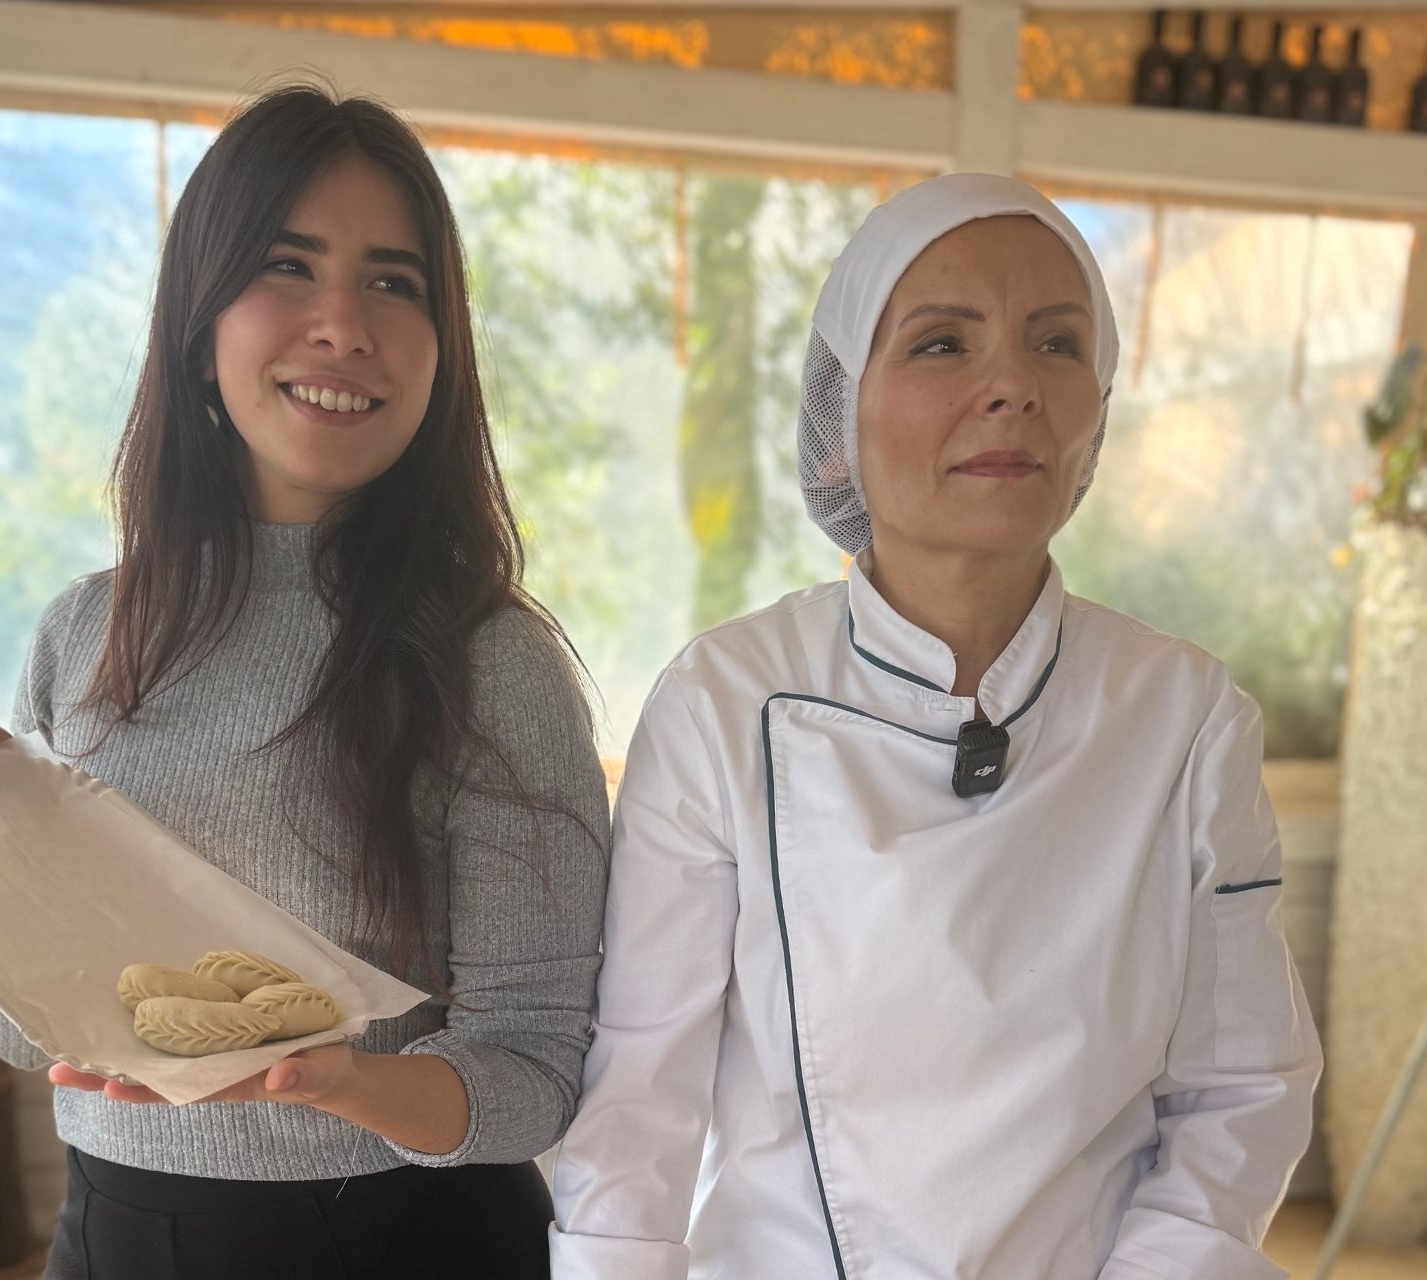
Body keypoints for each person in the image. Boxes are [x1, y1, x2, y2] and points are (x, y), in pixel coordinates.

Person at [548, 172, 1320, 1280]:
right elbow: (639, 1095)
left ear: (1097, 407)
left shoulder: (1185, 717)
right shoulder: (725, 700)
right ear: (839, 418)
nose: (1013, 386)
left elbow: (1240, 1090)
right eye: (944, 345)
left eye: (1056, 344)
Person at [0, 84, 610, 1280]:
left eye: (394, 282)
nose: (343, 324)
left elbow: (537, 1069)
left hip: (401, 1242)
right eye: (289, 268)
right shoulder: (82, 631)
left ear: (439, 346)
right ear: (201, 324)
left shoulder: (492, 660)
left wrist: (351, 1085)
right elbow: (15, 1025)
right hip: (112, 1236)